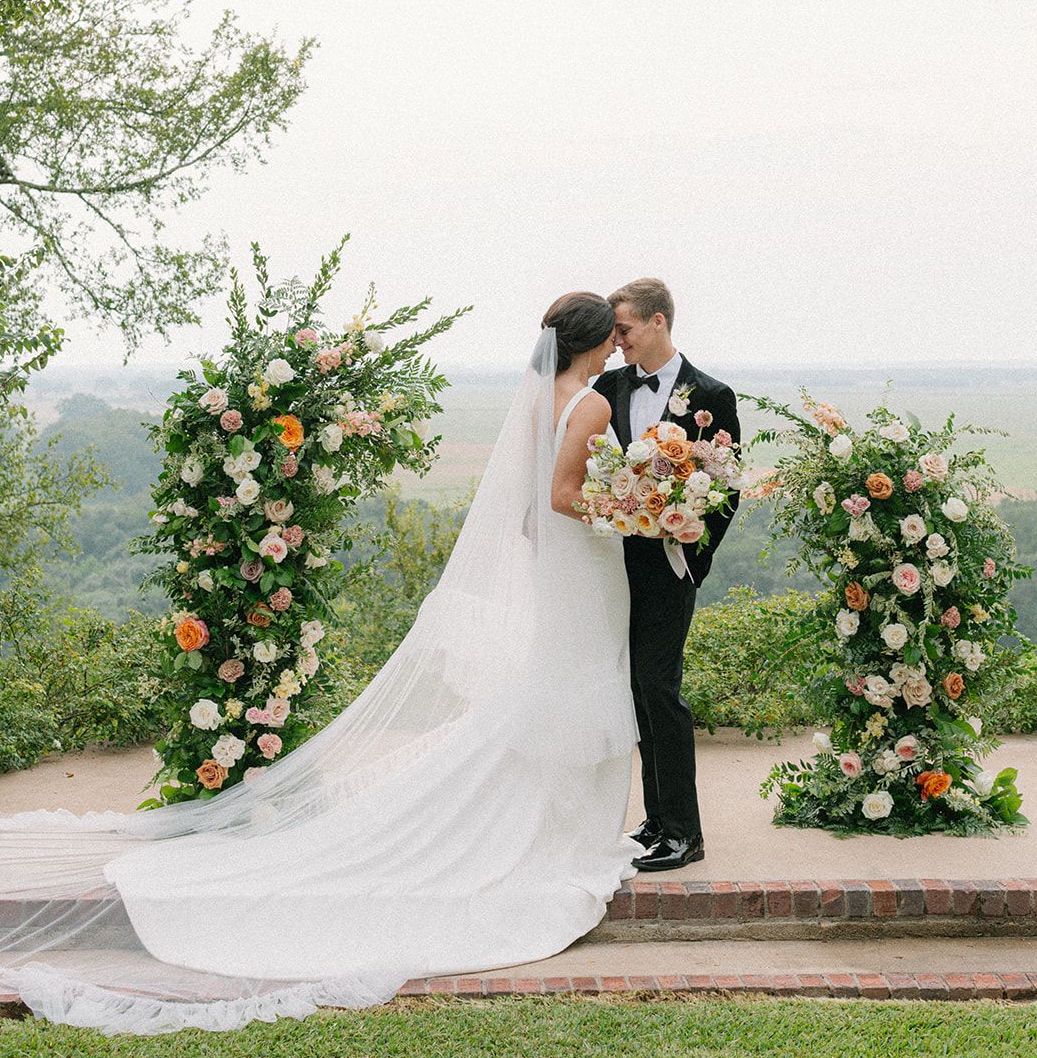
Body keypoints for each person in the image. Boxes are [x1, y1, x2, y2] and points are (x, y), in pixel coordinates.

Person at [0, 294, 642, 1036]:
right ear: (595, 343)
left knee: (553, 687)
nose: (620, 346)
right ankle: (559, 833)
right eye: (614, 336)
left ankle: (555, 821)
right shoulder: (589, 405)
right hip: (585, 567)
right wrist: (636, 510)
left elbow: (530, 509)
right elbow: (564, 499)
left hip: (556, 570)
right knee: (572, 685)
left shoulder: (537, 397)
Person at [594, 278, 740, 872]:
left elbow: (727, 487)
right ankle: (657, 820)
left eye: (624, 329)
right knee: (636, 691)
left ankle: (686, 833)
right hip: (613, 563)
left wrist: (691, 560)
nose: (617, 340)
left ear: (658, 322)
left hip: (671, 567)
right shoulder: (609, 386)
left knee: (660, 689)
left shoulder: (711, 393)